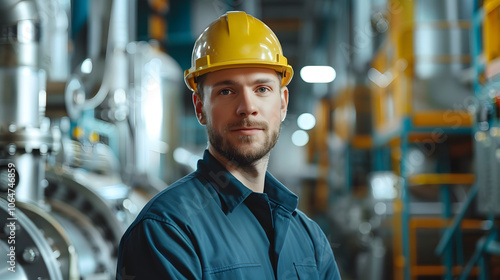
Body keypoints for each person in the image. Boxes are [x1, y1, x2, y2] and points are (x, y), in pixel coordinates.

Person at [116, 11, 342, 280]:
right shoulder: (168, 232)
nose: (247, 108)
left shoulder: (309, 238)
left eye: (262, 89)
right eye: (226, 91)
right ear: (200, 108)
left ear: (282, 103)